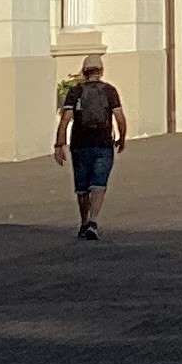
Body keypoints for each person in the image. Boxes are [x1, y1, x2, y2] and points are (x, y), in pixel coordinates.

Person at [53, 53, 125, 241]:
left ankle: (84, 222)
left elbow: (66, 119)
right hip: (103, 143)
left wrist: (59, 144)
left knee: (82, 187)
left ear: (84, 72)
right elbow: (119, 117)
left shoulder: (75, 91)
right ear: (101, 71)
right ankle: (93, 221)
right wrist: (122, 137)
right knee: (99, 185)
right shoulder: (110, 91)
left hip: (80, 144)